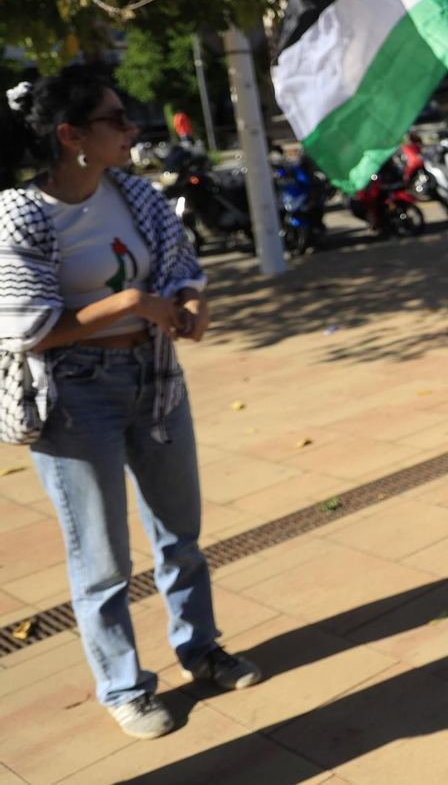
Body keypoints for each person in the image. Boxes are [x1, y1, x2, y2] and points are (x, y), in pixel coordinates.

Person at [0, 71, 261, 741]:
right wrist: (127, 303)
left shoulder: (134, 192)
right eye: (116, 119)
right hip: (71, 395)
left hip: (155, 380)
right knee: (102, 558)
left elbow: (179, 264)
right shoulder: (21, 213)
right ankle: (123, 685)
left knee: (182, 533)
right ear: (73, 136)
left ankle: (200, 649)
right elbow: (29, 326)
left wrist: (193, 301)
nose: (130, 127)